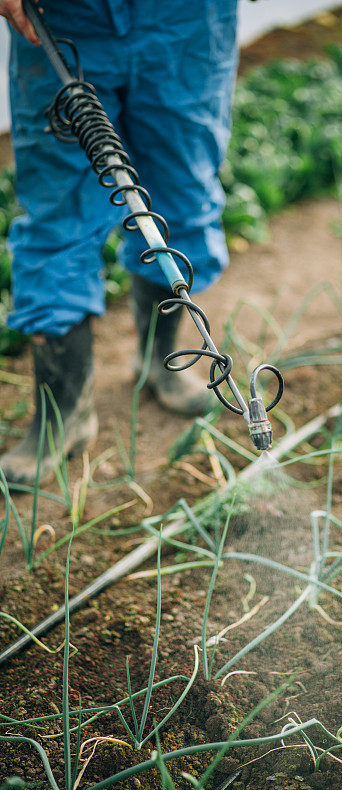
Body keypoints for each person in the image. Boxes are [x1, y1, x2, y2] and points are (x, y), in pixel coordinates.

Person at [0, 0, 240, 485]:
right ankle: (62, 414)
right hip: (63, 16)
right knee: (57, 223)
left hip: (189, 19)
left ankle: (161, 363)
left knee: (182, 199)